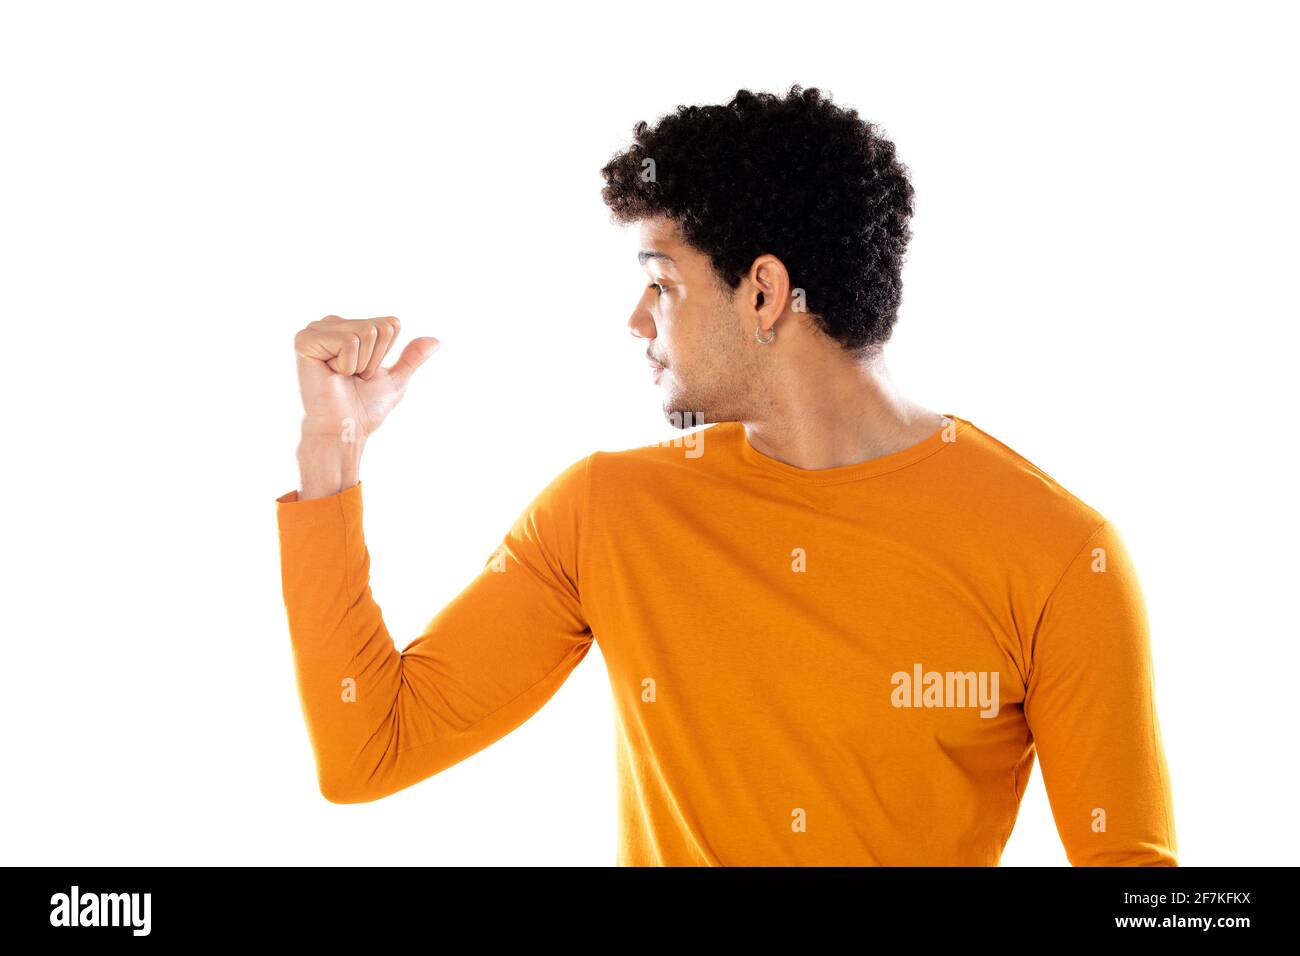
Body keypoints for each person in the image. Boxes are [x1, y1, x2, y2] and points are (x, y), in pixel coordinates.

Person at [275, 85, 1177, 866]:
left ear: (763, 292)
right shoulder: (603, 512)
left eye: (660, 284)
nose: (635, 319)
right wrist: (333, 449)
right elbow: (369, 751)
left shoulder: (1061, 555)